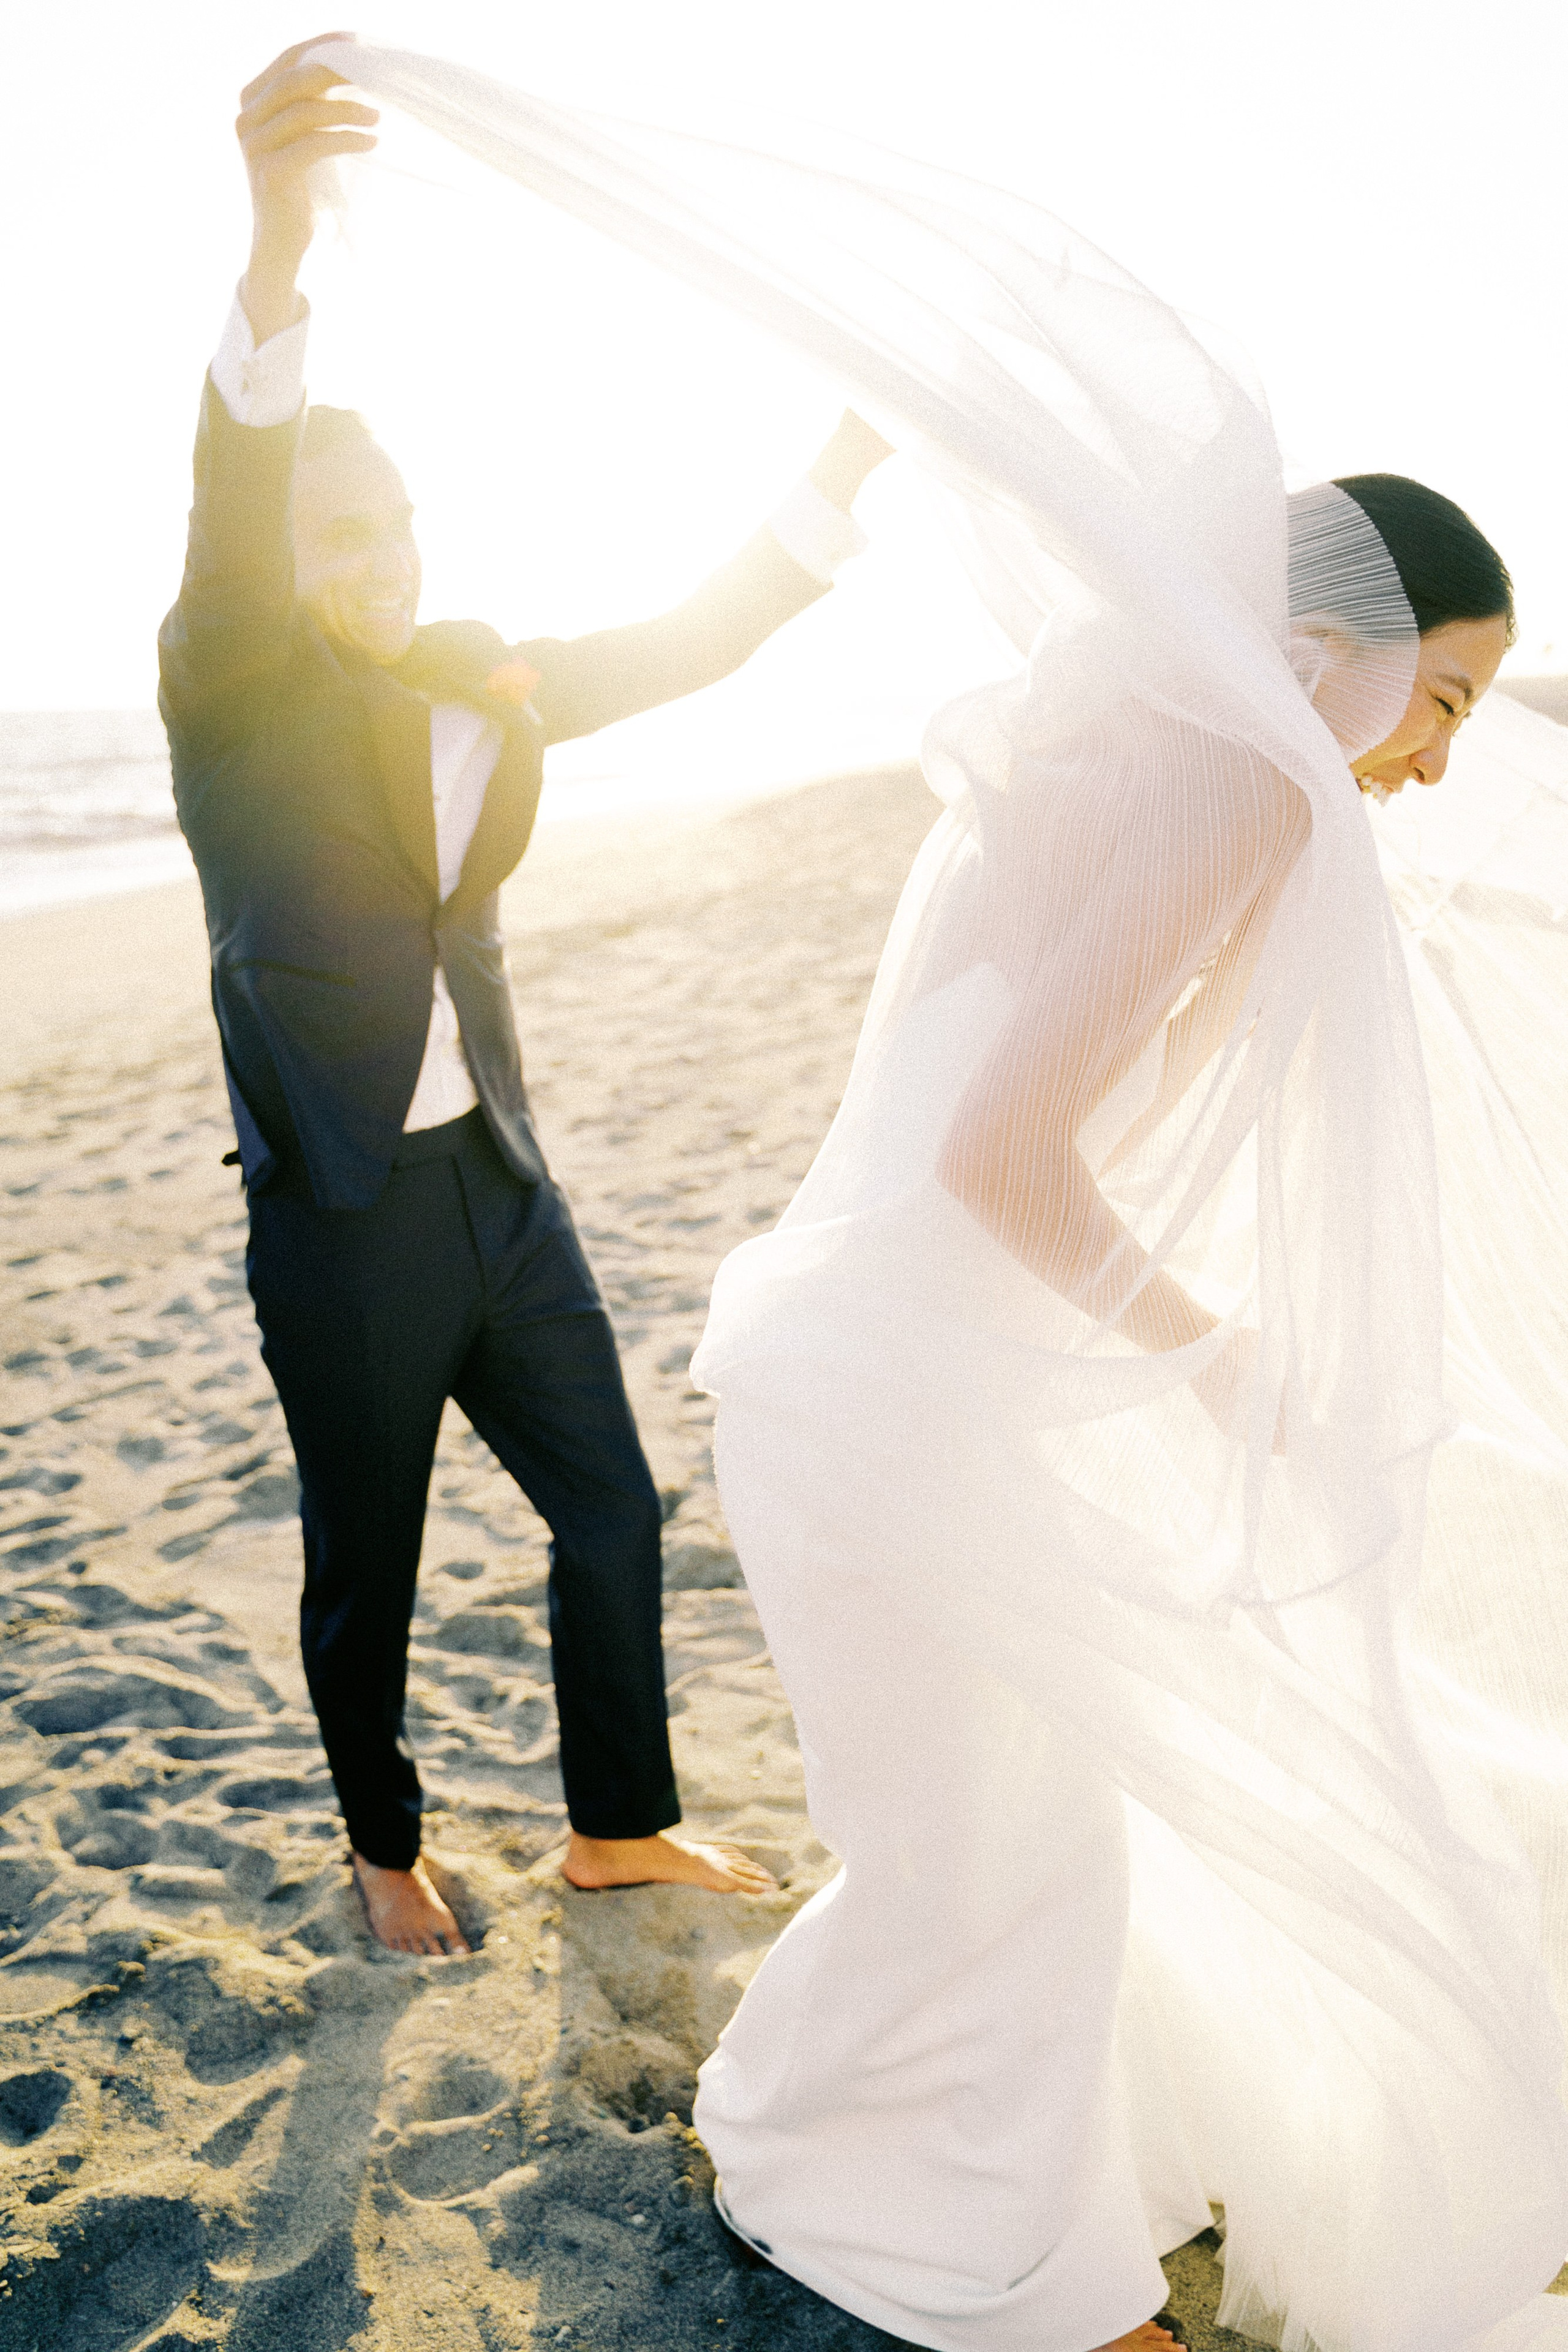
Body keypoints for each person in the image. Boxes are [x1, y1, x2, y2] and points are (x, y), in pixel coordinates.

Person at [157, 37, 891, 1958]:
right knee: (367, 1565)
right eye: (336, 541)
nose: (374, 565)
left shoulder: (487, 674)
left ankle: (618, 1829)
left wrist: (844, 460)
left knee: (617, 1513)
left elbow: (698, 636)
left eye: (391, 529)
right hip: (341, 1217)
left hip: (498, 1178)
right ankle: (385, 1852)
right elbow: (242, 476)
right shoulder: (226, 685)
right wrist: (272, 255)